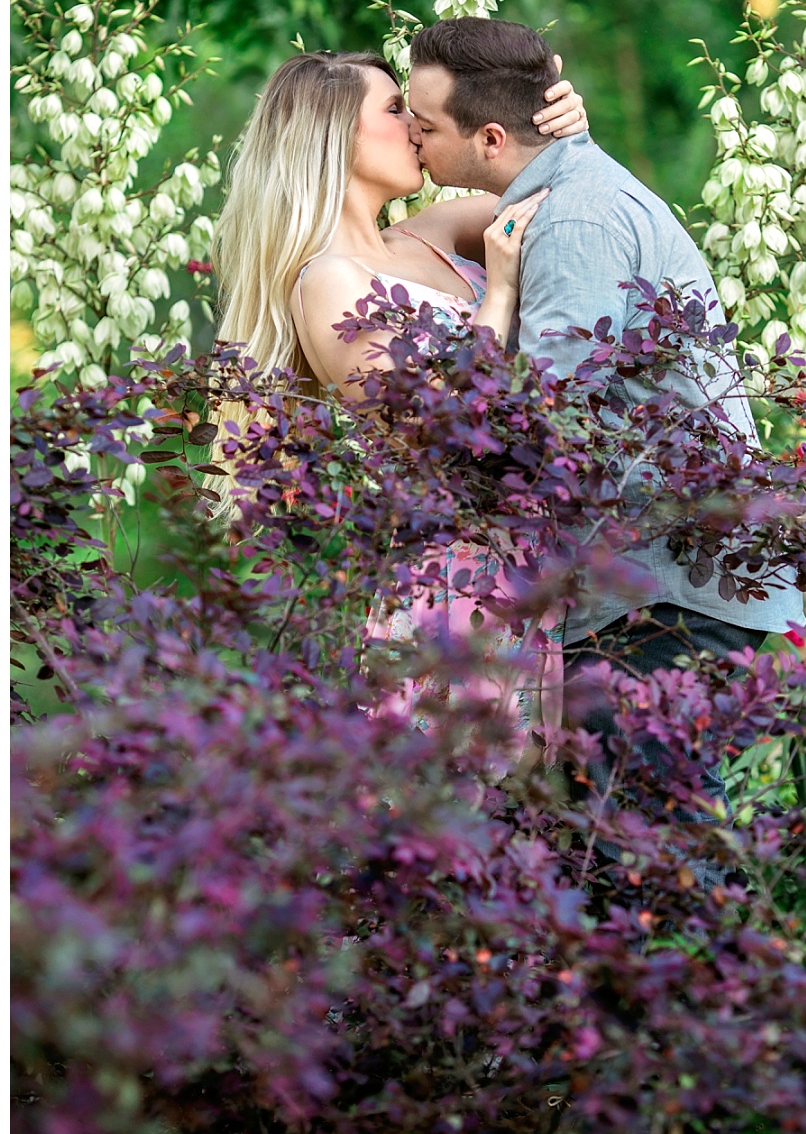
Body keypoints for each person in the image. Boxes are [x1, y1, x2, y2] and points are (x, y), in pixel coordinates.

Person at [405, 18, 805, 872]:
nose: (412, 134)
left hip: (673, 588)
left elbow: (548, 425)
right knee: (634, 858)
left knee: (649, 867)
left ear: (488, 136)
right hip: (664, 581)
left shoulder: (575, 220)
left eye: (424, 123)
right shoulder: (563, 188)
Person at [210, 47, 587, 756]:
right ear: (332, 137)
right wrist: (498, 293)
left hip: (545, 549)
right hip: (461, 582)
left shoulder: (437, 232)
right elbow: (444, 430)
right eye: (393, 110)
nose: (415, 126)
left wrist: (560, 121)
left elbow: (558, 194)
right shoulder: (325, 283)